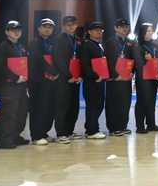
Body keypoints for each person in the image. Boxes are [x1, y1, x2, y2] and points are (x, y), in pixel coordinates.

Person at [0, 21, 30, 149]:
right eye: (13, 30)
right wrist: (15, 77)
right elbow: (1, 67)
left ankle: (15, 136)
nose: (16, 32)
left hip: (21, 85)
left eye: (19, 30)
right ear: (6, 32)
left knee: (21, 113)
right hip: (8, 86)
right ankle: (5, 140)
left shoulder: (22, 47)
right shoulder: (3, 47)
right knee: (8, 114)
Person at [51, 15, 81, 143]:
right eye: (67, 24)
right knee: (63, 106)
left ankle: (69, 131)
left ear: (76, 25)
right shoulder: (59, 40)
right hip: (64, 79)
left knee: (74, 106)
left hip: (76, 79)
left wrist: (80, 76)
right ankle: (61, 133)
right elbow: (58, 60)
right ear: (63, 26)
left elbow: (82, 60)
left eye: (73, 23)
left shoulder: (79, 41)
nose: (70, 26)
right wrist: (68, 76)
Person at [26, 19, 57, 145]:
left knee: (48, 108)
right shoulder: (35, 43)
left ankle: (44, 132)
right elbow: (38, 60)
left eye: (50, 27)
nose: (47, 29)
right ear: (39, 28)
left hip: (48, 80)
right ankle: (36, 136)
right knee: (37, 108)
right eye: (45, 27)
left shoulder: (50, 42)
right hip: (37, 81)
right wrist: (53, 71)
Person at [104, 19, 134, 136]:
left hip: (126, 78)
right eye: (121, 27)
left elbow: (133, 59)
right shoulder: (110, 42)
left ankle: (122, 125)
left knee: (125, 102)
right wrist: (115, 75)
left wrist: (132, 72)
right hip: (114, 79)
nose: (124, 29)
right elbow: (108, 60)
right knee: (113, 103)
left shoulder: (130, 42)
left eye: (126, 26)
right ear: (115, 28)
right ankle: (113, 128)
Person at [80, 22, 108, 139]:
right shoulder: (87, 46)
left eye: (100, 30)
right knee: (92, 107)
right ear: (89, 32)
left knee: (98, 105)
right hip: (92, 82)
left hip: (100, 81)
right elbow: (85, 65)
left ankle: (93, 128)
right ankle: (91, 131)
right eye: (96, 30)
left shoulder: (98, 45)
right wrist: (95, 76)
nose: (98, 32)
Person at [132, 23, 158, 134]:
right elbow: (139, 63)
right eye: (148, 31)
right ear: (142, 32)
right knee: (142, 101)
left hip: (153, 77)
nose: (150, 33)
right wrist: (148, 60)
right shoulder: (138, 46)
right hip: (143, 78)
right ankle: (140, 126)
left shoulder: (154, 45)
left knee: (152, 101)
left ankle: (151, 124)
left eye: (151, 31)